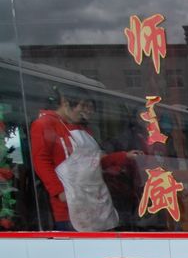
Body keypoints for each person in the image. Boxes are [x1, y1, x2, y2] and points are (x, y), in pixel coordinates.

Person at [29, 87, 135, 231]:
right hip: (70, 205)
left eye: (90, 107)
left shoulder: (83, 129)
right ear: (66, 103)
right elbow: (41, 161)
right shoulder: (45, 124)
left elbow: (94, 163)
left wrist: (123, 156)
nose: (87, 111)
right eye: (83, 105)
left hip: (96, 198)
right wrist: (59, 191)